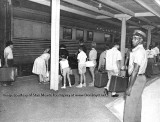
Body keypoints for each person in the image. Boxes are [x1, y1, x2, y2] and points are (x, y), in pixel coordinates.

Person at [123, 30, 148, 122]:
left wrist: (129, 87)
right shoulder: (140, 50)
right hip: (140, 78)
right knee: (137, 102)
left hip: (136, 79)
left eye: (135, 38)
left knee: (130, 104)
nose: (132, 40)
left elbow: (135, 70)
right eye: (132, 38)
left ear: (140, 40)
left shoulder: (139, 51)